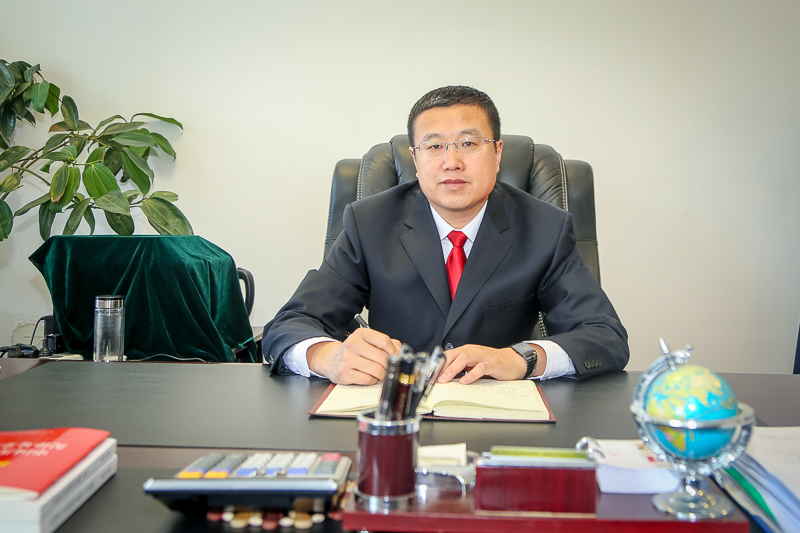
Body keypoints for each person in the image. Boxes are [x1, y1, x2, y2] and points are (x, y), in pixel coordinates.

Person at [263, 86, 628, 385]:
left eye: (469, 143)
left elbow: (605, 336)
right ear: (416, 159)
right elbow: (288, 325)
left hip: (498, 415)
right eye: (435, 146)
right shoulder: (370, 222)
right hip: (396, 412)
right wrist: (327, 357)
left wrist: (521, 358)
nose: (452, 161)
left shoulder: (545, 228)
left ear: (497, 153)